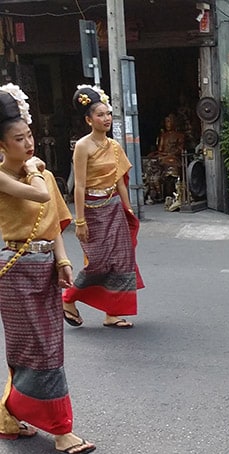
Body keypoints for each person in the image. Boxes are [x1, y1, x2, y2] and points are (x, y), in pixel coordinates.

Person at [0, 83, 96, 454]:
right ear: (3, 145)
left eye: (30, 136)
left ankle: (10, 412)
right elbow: (39, 196)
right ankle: (61, 430)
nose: (29, 144)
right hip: (16, 269)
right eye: (19, 138)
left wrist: (64, 261)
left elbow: (54, 221)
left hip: (44, 267)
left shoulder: (40, 172)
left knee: (45, 347)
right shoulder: (11, 175)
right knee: (37, 350)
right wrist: (34, 169)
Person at [62, 85, 143, 329]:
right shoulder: (83, 147)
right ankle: (68, 298)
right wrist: (80, 220)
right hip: (92, 210)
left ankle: (112, 312)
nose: (106, 118)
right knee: (98, 262)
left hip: (115, 208)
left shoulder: (115, 147)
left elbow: (120, 181)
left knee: (121, 260)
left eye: (108, 114)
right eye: (100, 115)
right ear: (89, 120)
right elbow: (78, 186)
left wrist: (128, 211)